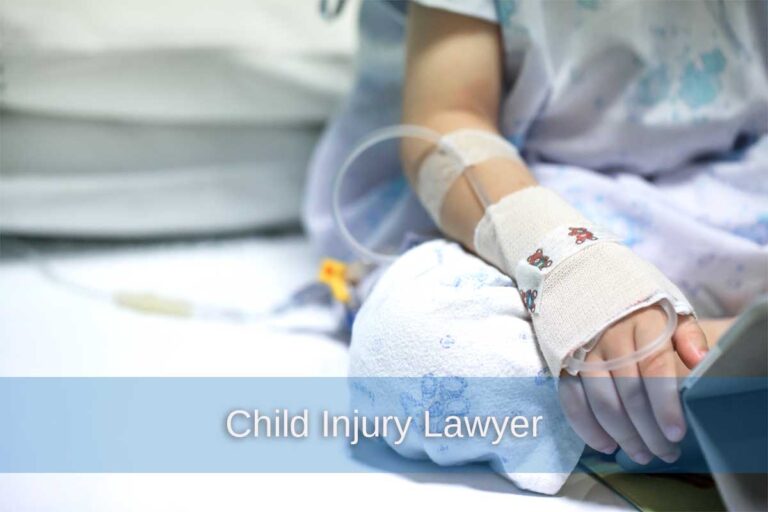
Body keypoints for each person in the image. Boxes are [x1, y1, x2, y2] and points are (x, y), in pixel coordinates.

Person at [303, 0, 768, 475]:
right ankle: (717, 364)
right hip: (504, 199)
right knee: (417, 354)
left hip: (727, 195)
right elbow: (448, 123)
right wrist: (575, 269)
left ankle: (696, 368)